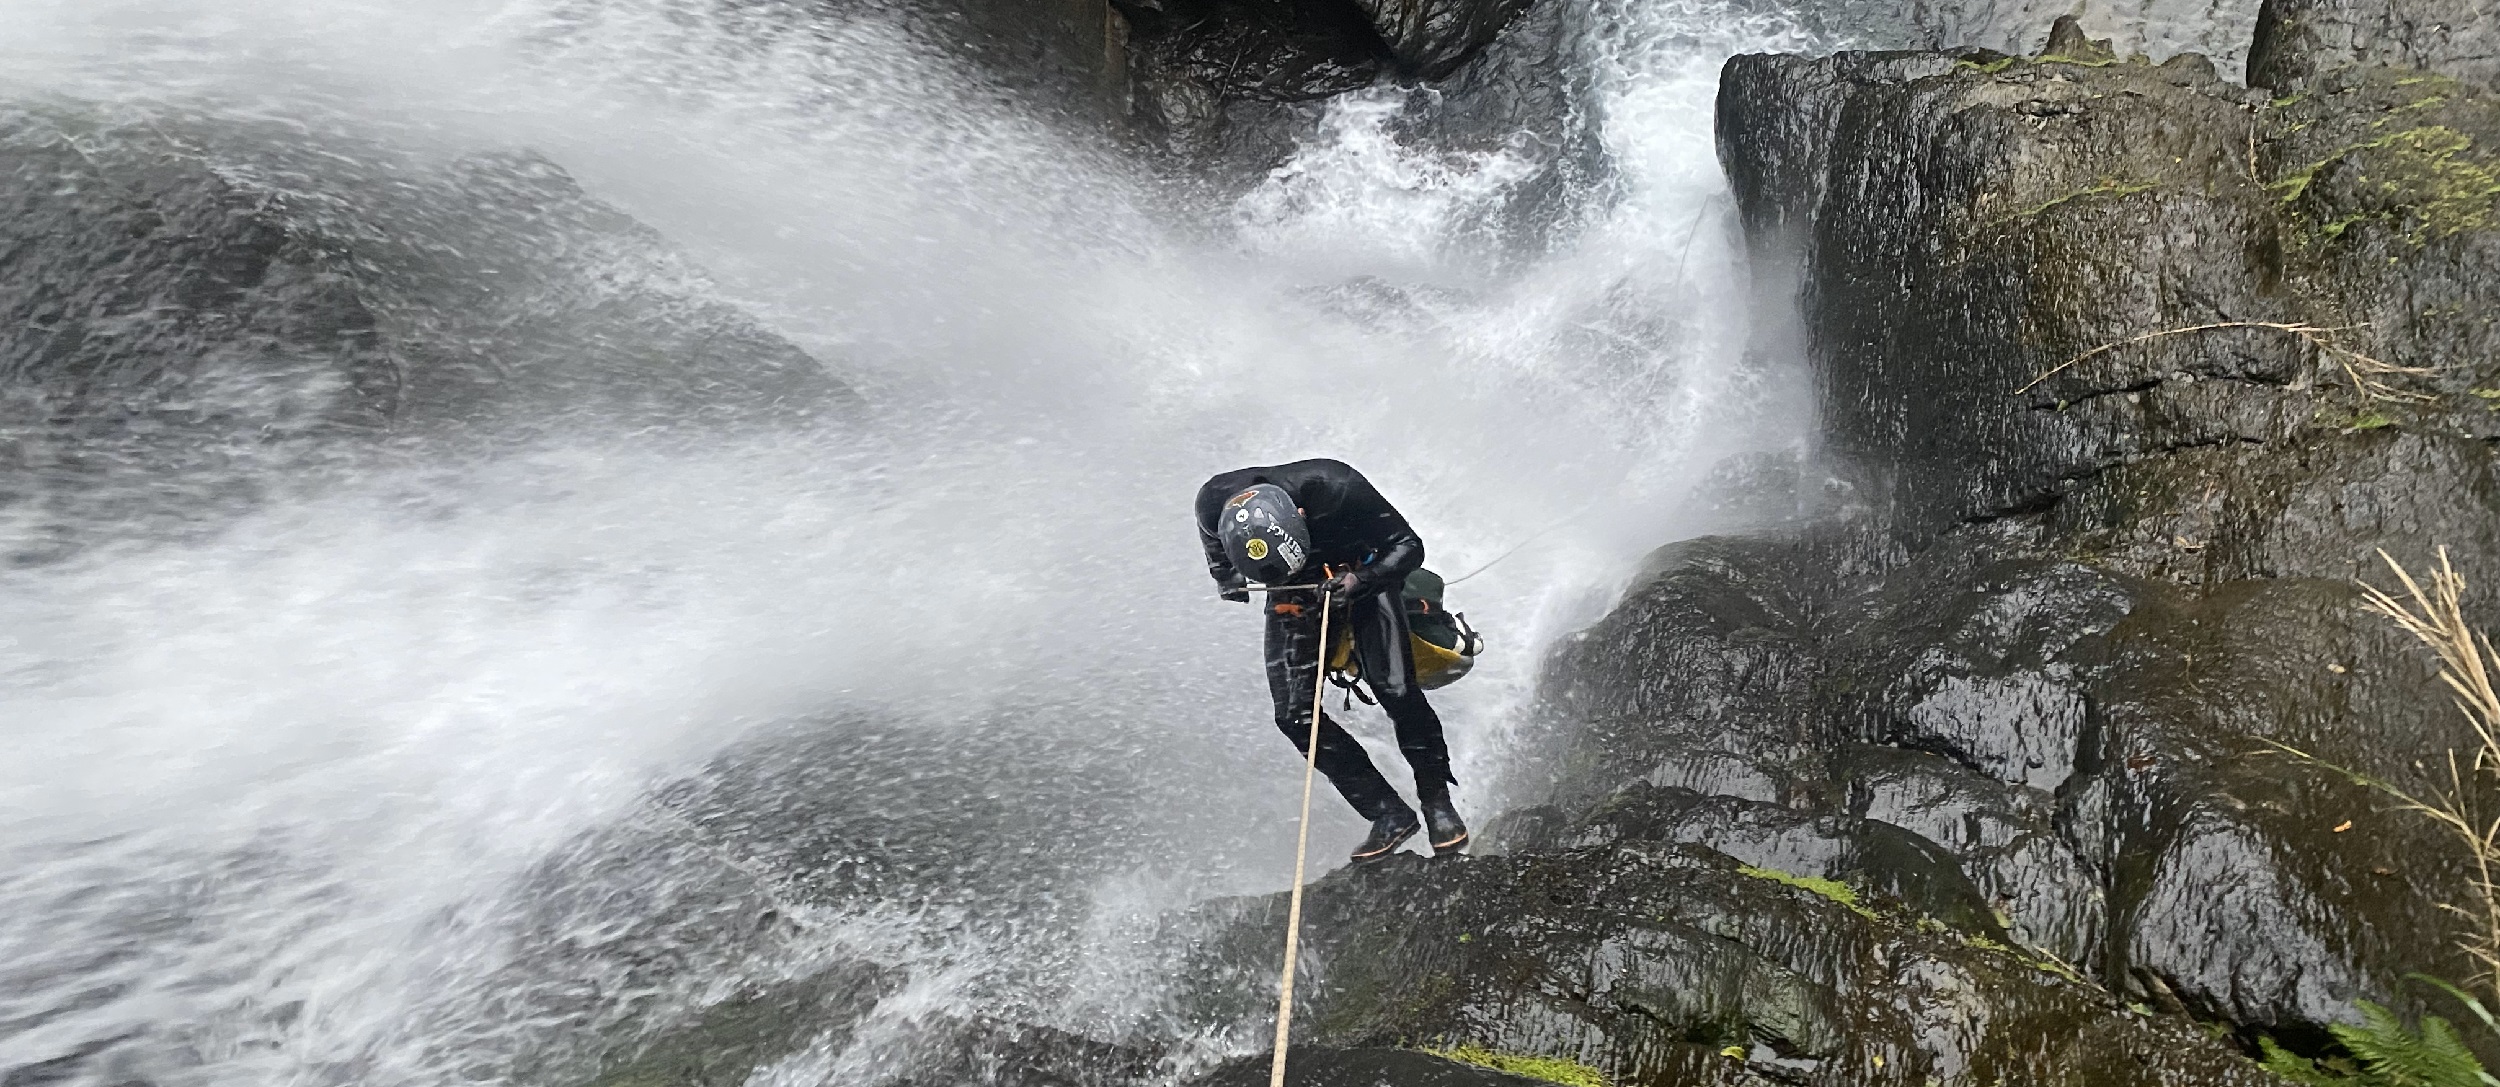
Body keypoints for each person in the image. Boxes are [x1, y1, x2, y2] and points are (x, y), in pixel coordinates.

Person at [1195, 458, 1467, 862]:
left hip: (1361, 575)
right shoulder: (1213, 502)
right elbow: (1216, 549)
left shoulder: (1337, 487)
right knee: (1294, 717)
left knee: (1395, 689)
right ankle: (1388, 814)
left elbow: (1409, 545)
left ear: (1301, 515)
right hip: (1292, 592)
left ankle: (1437, 802)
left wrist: (1361, 581)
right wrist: (1226, 576)